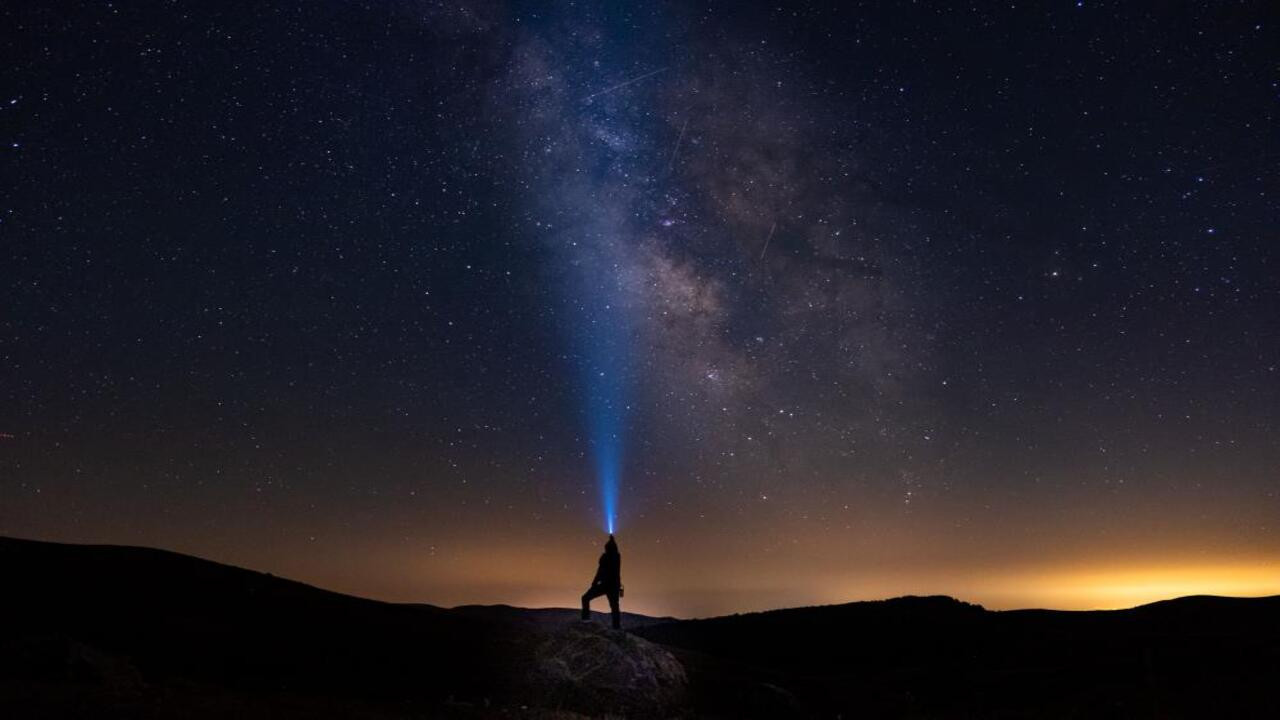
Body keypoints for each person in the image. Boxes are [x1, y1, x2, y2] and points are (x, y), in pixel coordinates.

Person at [580, 534, 622, 629]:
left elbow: (600, 571)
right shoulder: (617, 557)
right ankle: (616, 627)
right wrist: (612, 540)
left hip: (605, 585)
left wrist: (594, 583)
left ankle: (585, 620)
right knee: (614, 607)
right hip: (614, 586)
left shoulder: (606, 557)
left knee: (585, 598)